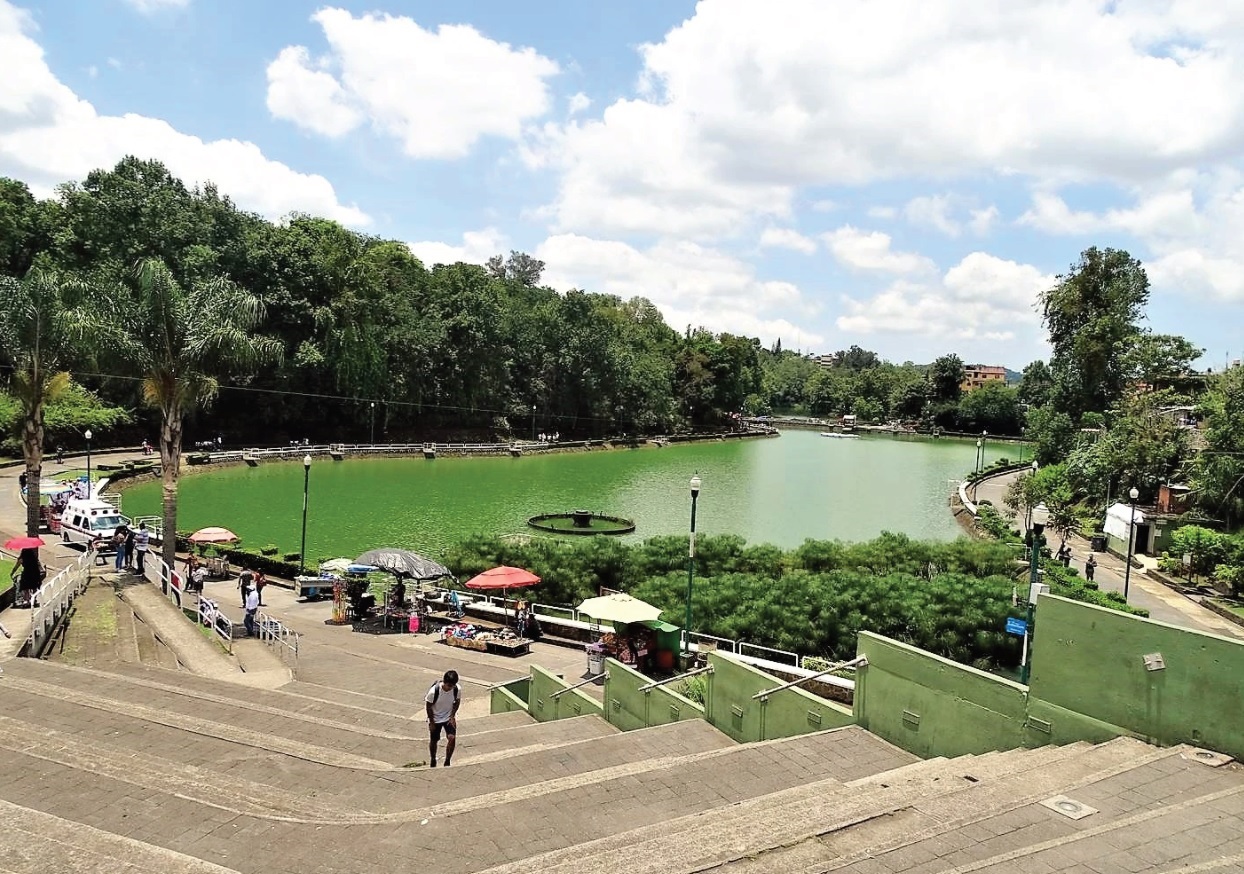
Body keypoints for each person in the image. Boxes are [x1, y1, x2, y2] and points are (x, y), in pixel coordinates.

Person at [425, 670, 461, 767]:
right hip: (435, 718)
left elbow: (457, 701)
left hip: (448, 717)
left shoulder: (456, 689)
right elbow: (428, 706)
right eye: (449, 686)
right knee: (434, 740)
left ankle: (447, 760)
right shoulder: (433, 692)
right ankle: (433, 758)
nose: (450, 688)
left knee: (452, 738)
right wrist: (431, 722)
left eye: (452, 686)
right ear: (444, 682)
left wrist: (452, 716)